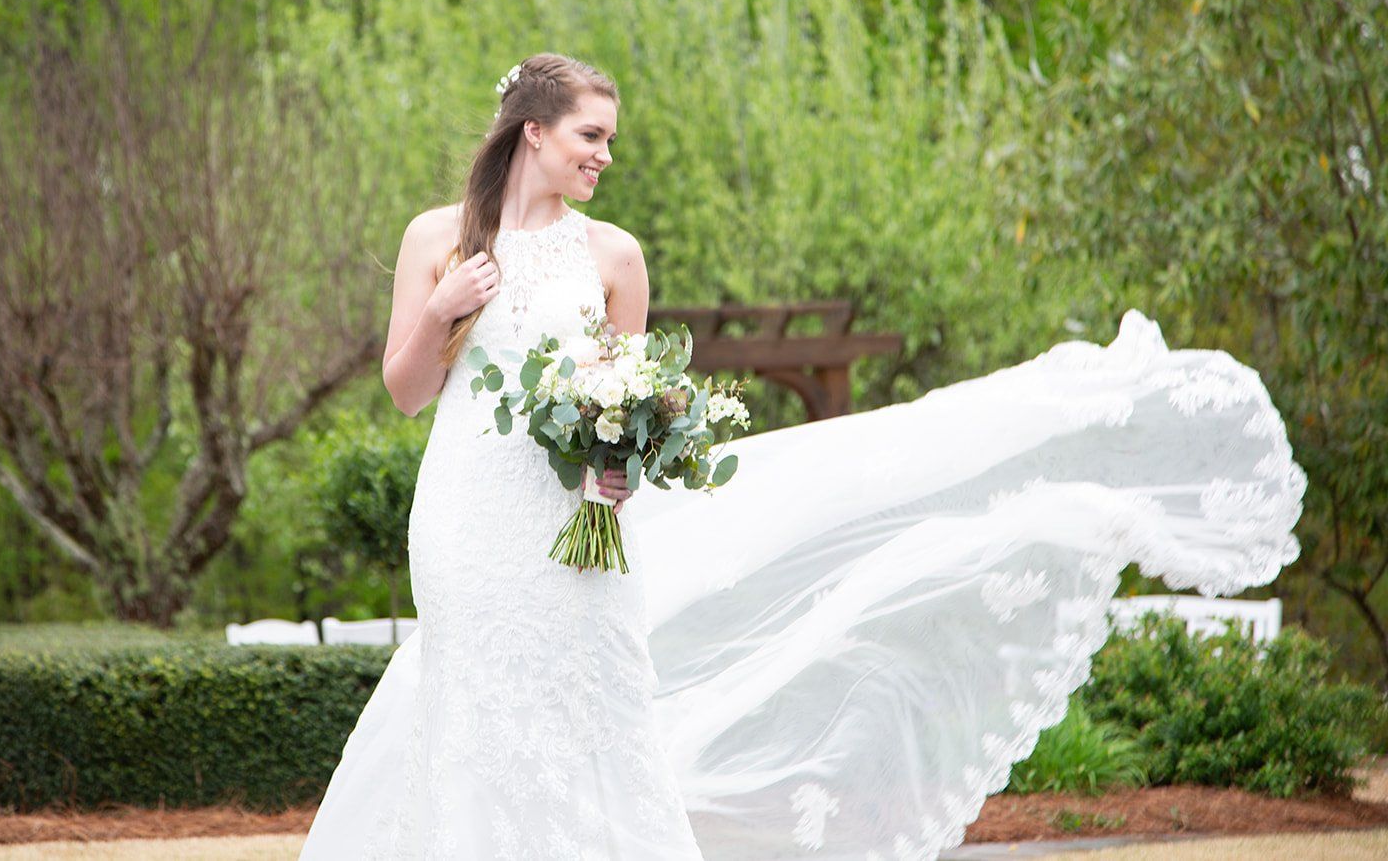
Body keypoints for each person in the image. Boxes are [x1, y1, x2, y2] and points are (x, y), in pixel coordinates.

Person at [299, 53, 1307, 860]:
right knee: (473, 692)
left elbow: (627, 395)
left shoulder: (615, 257)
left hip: (577, 519)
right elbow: (405, 388)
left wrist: (622, 461)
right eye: (590, 135)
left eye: (610, 138)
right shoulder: (438, 235)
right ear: (534, 132)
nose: (605, 154)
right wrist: (439, 311)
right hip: (468, 512)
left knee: (595, 686)